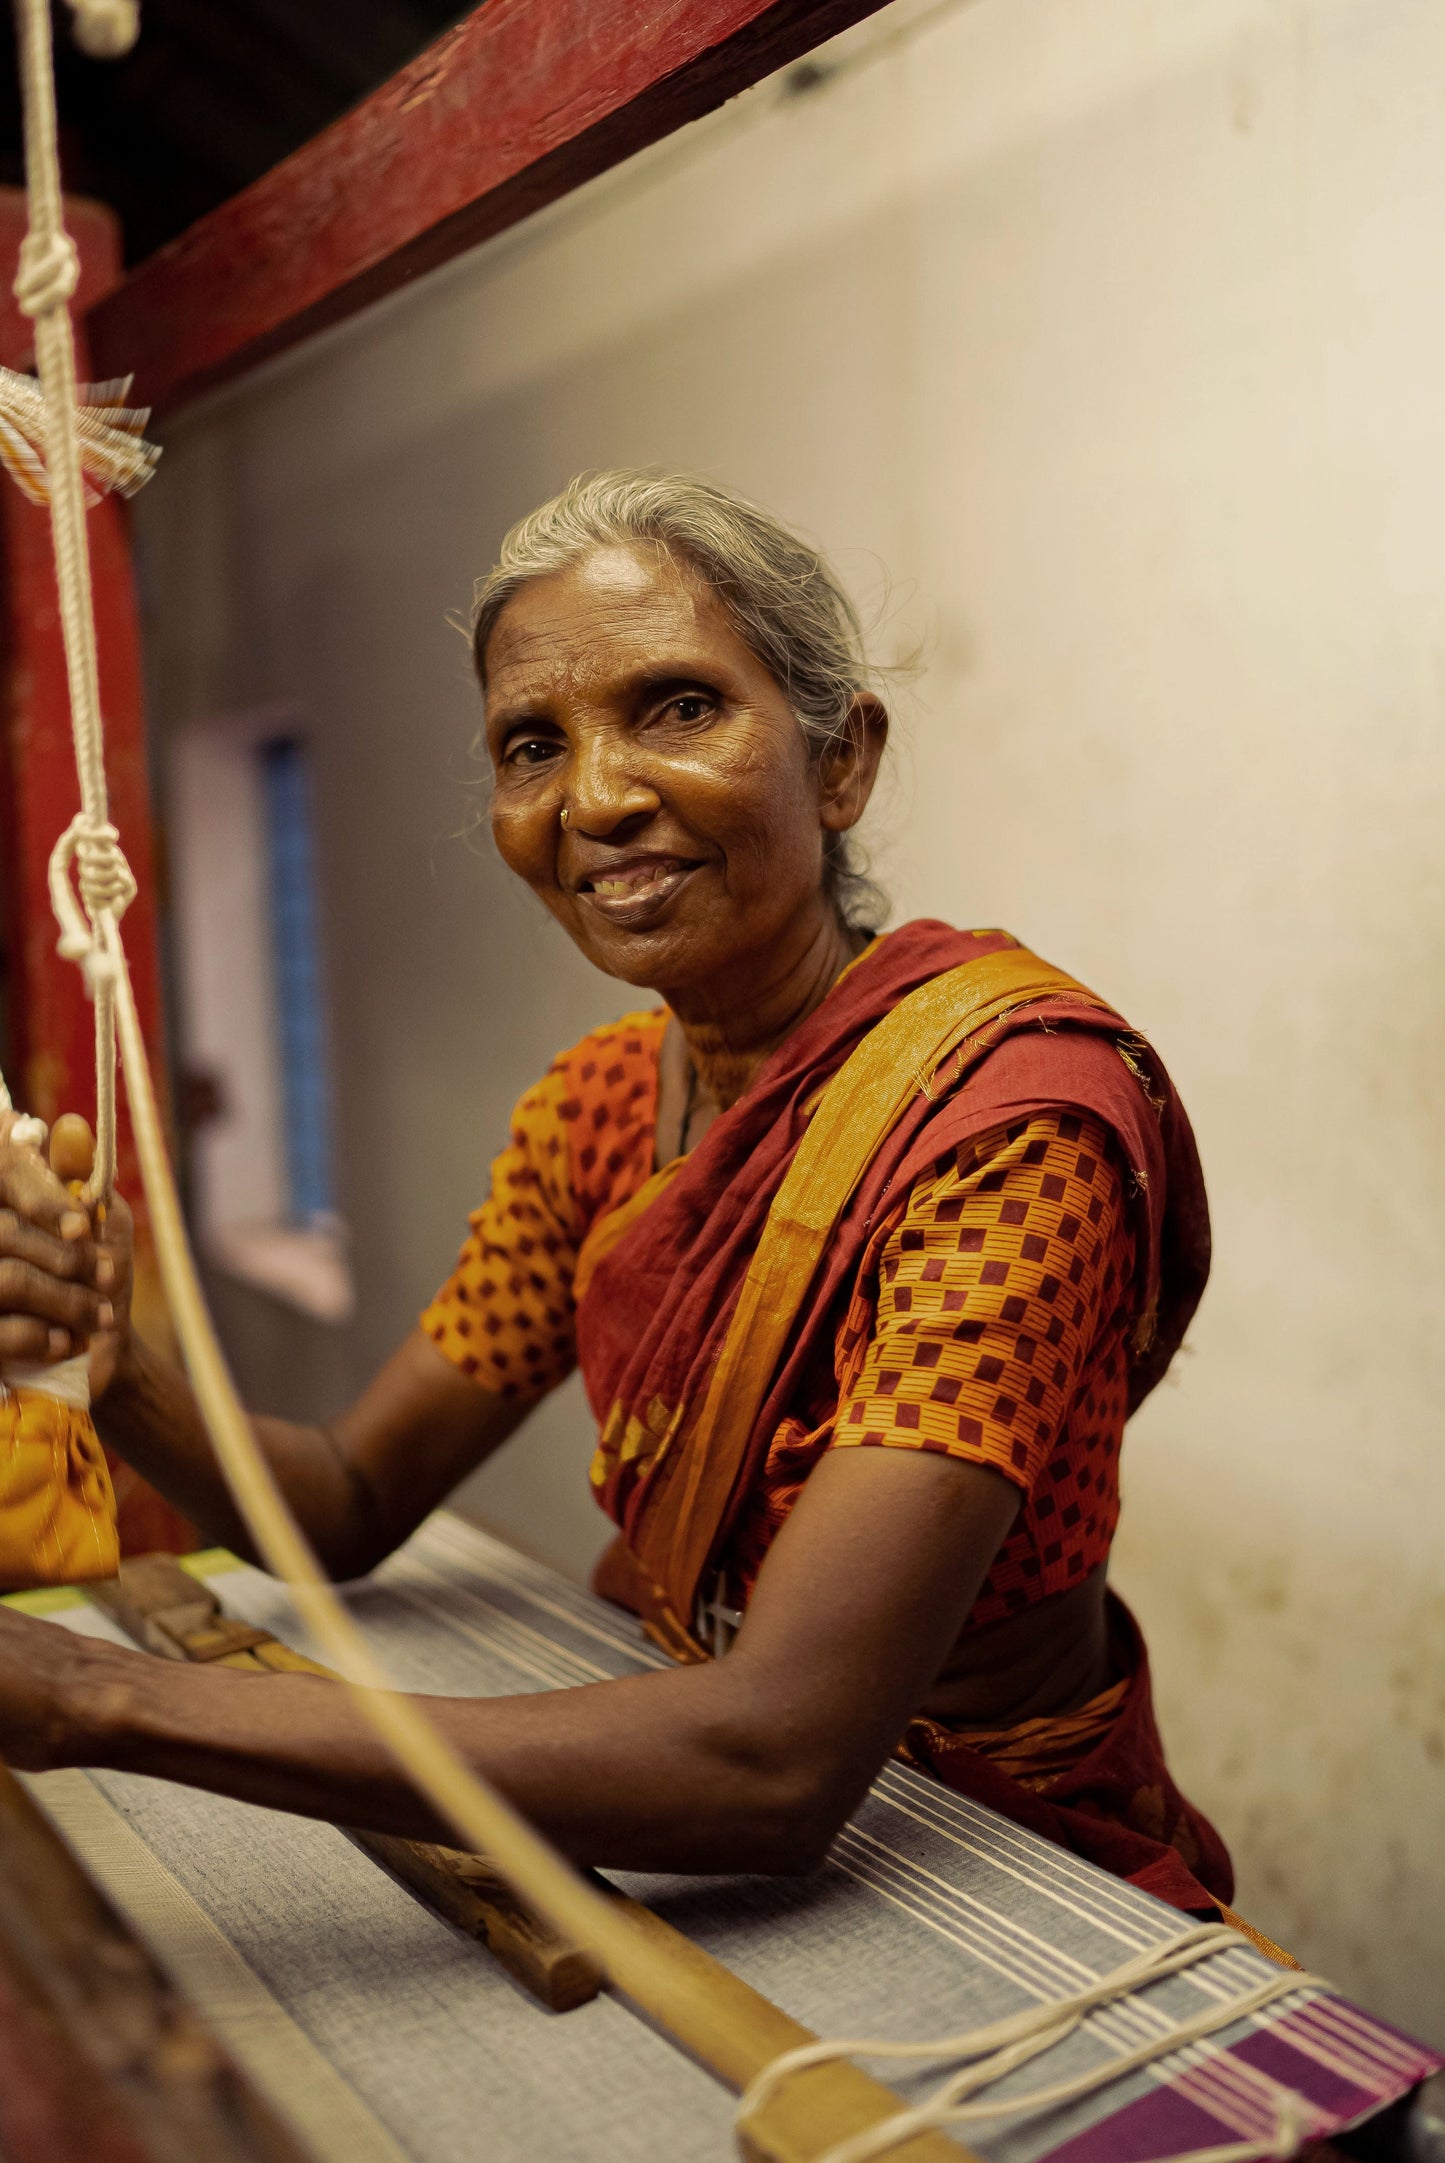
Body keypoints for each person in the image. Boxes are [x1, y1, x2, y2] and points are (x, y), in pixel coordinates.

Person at [0, 470, 1230, 1912]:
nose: (594, 798)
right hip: (687, 1716)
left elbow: (776, 1762)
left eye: (678, 708)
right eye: (533, 745)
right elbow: (345, 1501)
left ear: (841, 761)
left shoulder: (1008, 1126)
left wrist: (102, 1701)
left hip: (981, 1839)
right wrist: (117, 1363)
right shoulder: (593, 1112)